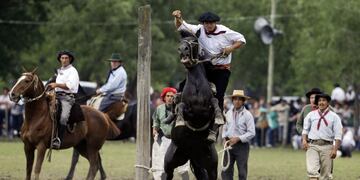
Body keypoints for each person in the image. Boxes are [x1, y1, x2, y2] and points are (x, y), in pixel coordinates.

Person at [172, 10, 246, 142]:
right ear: (203, 23)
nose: (208, 25)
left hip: (221, 69)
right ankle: (177, 111)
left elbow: (242, 40)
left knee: (219, 94)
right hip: (205, 66)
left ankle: (216, 123)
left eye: (211, 23)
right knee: (184, 84)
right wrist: (178, 18)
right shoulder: (199, 30)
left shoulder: (225, 31)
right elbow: (180, 26)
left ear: (215, 23)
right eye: (206, 23)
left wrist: (230, 49)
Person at [302, 94, 343, 180]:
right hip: (312, 145)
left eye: (324, 100)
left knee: (325, 175)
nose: (321, 102)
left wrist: (335, 149)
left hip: (327, 146)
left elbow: (338, 135)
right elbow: (305, 129)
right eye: (319, 100)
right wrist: (304, 140)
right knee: (312, 172)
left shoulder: (334, 117)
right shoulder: (311, 115)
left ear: (328, 103)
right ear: (317, 103)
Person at [151, 87, 189, 180]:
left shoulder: (180, 109)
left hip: (179, 141)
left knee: (183, 168)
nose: (170, 98)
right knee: (163, 165)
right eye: (168, 96)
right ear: (164, 97)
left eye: (172, 96)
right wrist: (155, 129)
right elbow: (156, 121)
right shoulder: (159, 109)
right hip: (165, 140)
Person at [48, 50, 79, 149]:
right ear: (60, 59)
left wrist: (56, 84)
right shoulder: (60, 71)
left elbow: (70, 86)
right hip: (55, 95)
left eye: (66, 58)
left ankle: (58, 140)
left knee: (64, 117)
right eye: (62, 58)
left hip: (67, 97)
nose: (64, 60)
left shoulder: (73, 71)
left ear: (69, 59)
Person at [222, 90, 255, 180]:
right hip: (228, 145)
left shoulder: (248, 115)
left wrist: (238, 139)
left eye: (240, 99)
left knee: (242, 172)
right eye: (235, 99)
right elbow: (225, 127)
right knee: (226, 171)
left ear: (243, 101)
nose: (237, 101)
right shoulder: (228, 113)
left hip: (242, 146)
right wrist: (224, 138)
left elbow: (252, 132)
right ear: (232, 100)